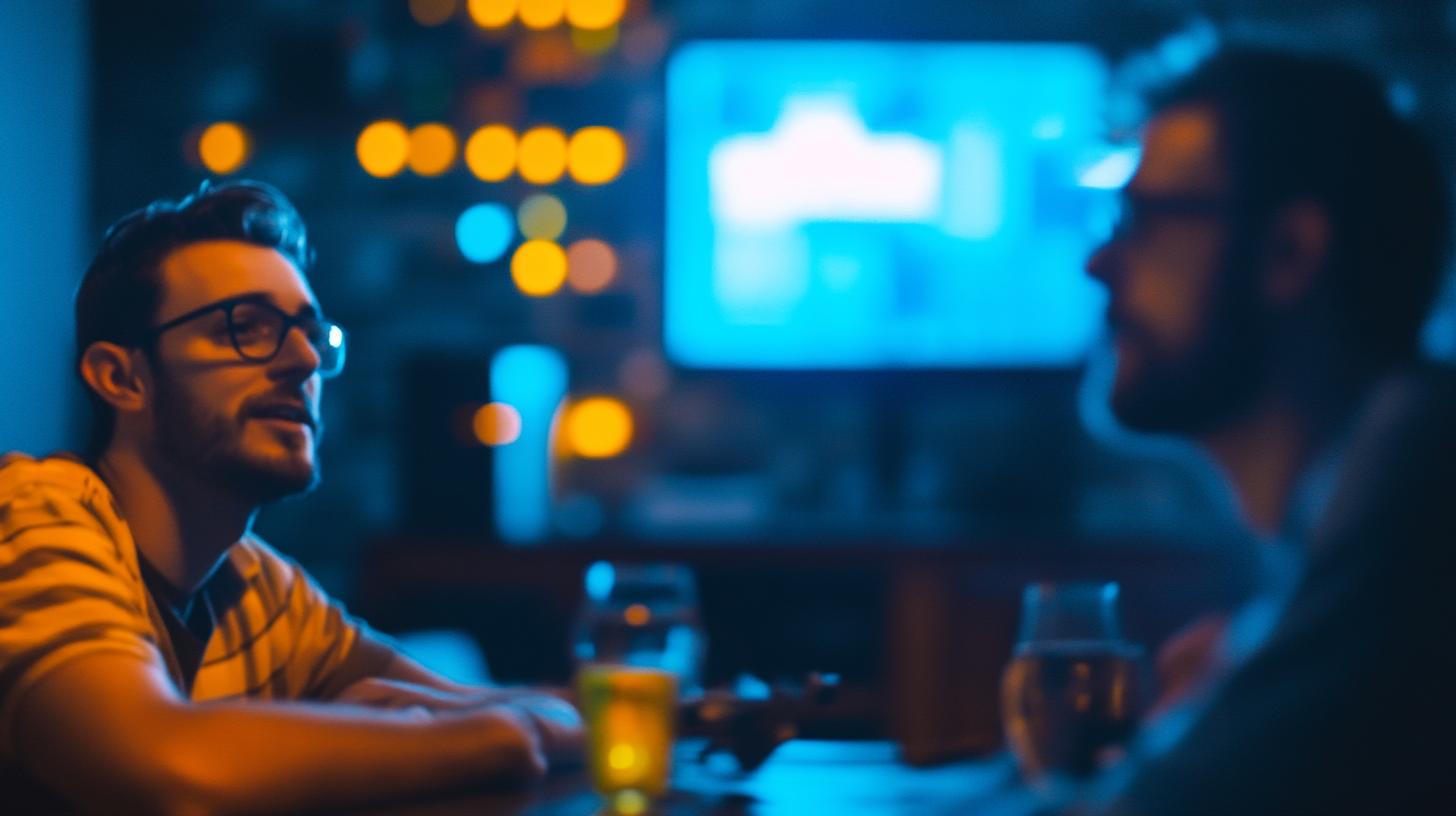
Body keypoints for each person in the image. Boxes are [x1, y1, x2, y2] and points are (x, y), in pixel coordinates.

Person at [0, 181, 583, 813]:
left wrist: (492, 722)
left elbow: (503, 706)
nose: (304, 360)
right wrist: (468, 739)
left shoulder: (256, 587)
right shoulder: (37, 515)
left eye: (312, 335)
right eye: (245, 328)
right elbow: (165, 767)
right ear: (122, 378)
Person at [1070, 46, 1453, 813]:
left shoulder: (1417, 458)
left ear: (1289, 253)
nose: (1101, 262)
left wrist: (1204, 732)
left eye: (1144, 218)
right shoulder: (1355, 502)